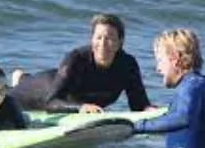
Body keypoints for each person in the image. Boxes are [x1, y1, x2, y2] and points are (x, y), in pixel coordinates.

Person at [9, 13, 152, 113]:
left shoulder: (128, 65)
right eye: (98, 37)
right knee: (15, 94)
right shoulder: (76, 58)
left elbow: (138, 105)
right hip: (42, 92)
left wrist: (149, 110)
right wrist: (80, 108)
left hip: (58, 80)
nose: (103, 44)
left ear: (120, 42)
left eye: (109, 38)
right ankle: (21, 80)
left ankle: (23, 77)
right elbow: (51, 102)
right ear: (91, 39)